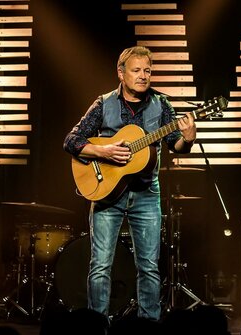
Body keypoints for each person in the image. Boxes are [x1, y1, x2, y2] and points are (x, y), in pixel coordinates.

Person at [63, 45, 197, 321]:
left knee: (148, 266)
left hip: (146, 193)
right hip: (107, 193)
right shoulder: (103, 103)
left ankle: (149, 325)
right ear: (121, 73)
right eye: (136, 70)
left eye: (148, 71)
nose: (143, 76)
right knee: (100, 265)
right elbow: (71, 141)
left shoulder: (162, 105)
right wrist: (103, 151)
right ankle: (97, 325)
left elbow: (177, 146)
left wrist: (189, 137)